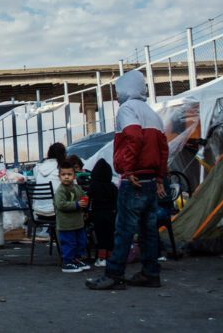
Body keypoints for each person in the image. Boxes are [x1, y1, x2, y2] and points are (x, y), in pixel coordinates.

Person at [87, 70, 168, 290]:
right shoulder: (153, 114)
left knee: (123, 228)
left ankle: (114, 274)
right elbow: (163, 148)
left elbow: (134, 137)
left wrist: (128, 169)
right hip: (151, 179)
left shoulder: (127, 109)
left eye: (118, 90)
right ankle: (150, 273)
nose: (116, 96)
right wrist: (159, 177)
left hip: (134, 179)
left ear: (126, 89)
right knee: (148, 230)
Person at [54, 160, 90, 273]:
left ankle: (76, 259)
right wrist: (77, 204)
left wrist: (85, 200)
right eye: (63, 175)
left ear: (74, 176)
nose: (66, 177)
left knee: (81, 242)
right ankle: (67, 262)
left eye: (69, 174)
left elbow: (83, 195)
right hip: (66, 224)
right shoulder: (60, 190)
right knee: (69, 243)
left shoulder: (76, 188)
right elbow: (60, 205)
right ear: (59, 176)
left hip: (78, 222)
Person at [88, 158, 118, 267]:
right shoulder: (113, 187)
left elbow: (88, 199)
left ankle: (101, 258)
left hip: (98, 215)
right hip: (111, 215)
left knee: (101, 237)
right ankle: (110, 257)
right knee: (110, 236)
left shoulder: (93, 186)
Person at [31, 142, 67, 218]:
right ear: (63, 154)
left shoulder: (39, 169)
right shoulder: (61, 169)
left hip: (38, 211)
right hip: (55, 212)